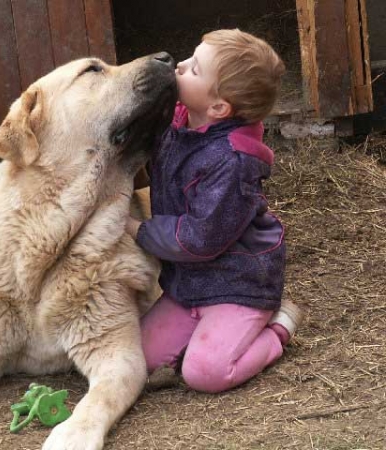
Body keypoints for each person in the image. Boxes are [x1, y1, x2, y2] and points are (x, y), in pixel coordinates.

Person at [125, 29, 303, 393]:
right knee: (135, 359)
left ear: (219, 107)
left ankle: (277, 328)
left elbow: (198, 238)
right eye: (191, 57)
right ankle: (205, 334)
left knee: (205, 374)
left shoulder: (232, 162)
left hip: (238, 284)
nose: (182, 65)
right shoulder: (180, 123)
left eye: (194, 69)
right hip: (189, 285)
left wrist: (138, 230)